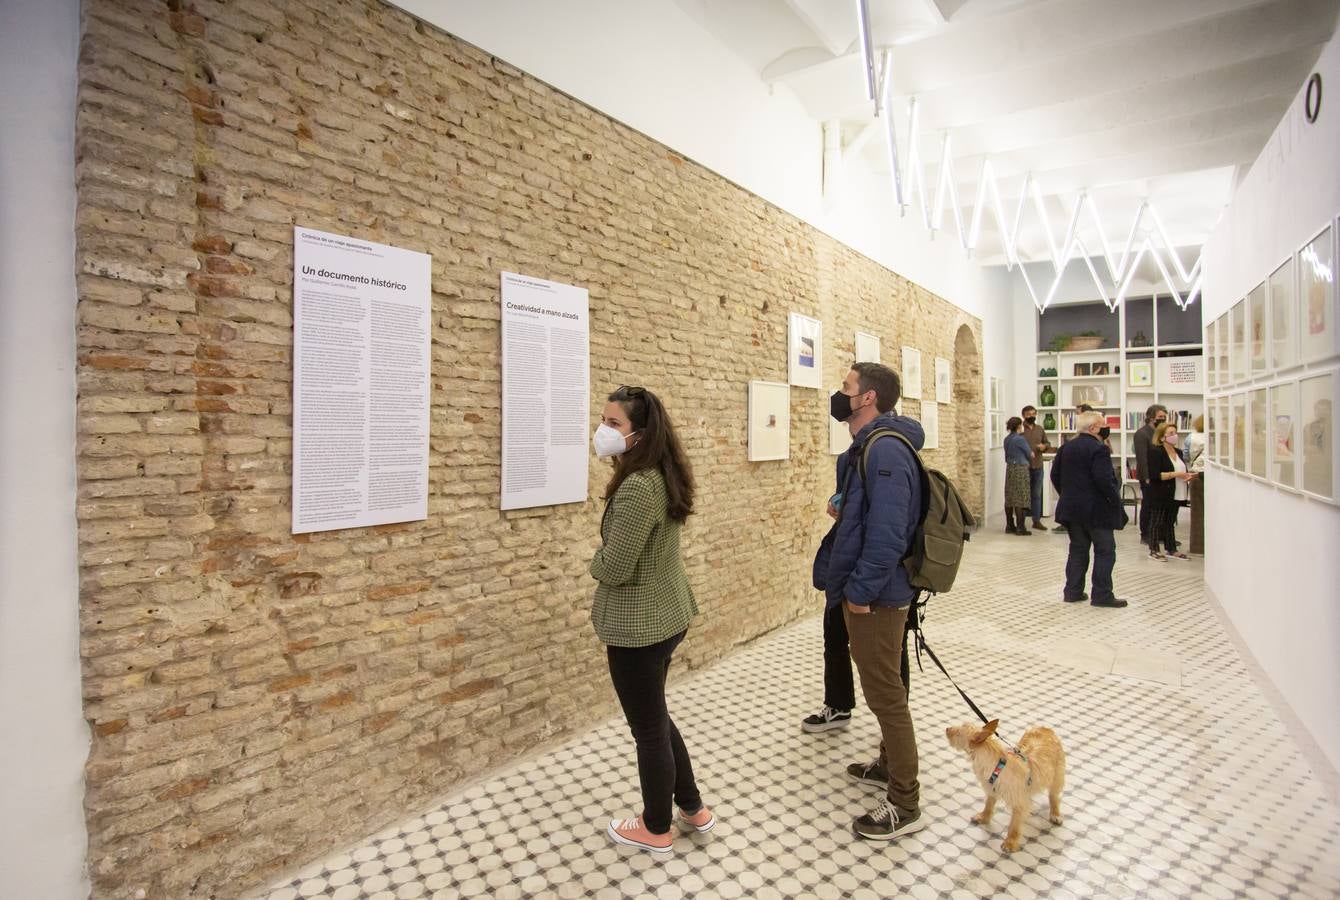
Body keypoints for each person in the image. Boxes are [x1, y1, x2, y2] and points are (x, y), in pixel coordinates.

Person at [590, 385, 714, 853]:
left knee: (647, 730)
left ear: (639, 434)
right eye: (603, 420)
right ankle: (692, 806)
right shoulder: (660, 472)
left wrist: (594, 565)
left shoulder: (640, 486)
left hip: (639, 627)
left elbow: (616, 565)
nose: (603, 430)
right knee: (656, 717)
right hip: (665, 616)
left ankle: (656, 827)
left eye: (614, 423)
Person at [812, 362, 926, 841]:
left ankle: (905, 800)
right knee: (884, 690)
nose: (840, 395)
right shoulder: (870, 448)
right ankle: (886, 764)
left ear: (868, 399)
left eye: (847, 388)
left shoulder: (885, 452)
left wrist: (859, 592)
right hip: (868, 589)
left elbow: (887, 533)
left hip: (877, 595)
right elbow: (871, 514)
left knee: (885, 696)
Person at [1050, 410, 1129, 608]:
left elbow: (1055, 475)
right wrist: (1114, 500)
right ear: (1094, 428)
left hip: (1072, 509)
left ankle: (1073, 591)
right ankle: (1102, 594)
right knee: (1105, 551)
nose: (1106, 429)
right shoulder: (1098, 449)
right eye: (1103, 425)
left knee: (1077, 550)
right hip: (1097, 510)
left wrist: (1068, 494)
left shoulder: (1066, 447)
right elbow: (1104, 480)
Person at [1146, 421, 1196, 561]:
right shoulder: (1156, 452)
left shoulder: (1178, 452)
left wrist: (1187, 475)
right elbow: (1155, 475)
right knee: (1157, 522)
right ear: (1162, 437)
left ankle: (1171, 548)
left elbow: (1181, 470)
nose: (1175, 436)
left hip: (1177, 492)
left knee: (1170, 522)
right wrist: (1176, 475)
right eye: (1171, 433)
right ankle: (1154, 549)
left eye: (1175, 432)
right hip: (1161, 493)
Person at [1133, 404, 1169, 541]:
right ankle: (1145, 534)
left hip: (1160, 475)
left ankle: (1159, 533)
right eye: (1160, 417)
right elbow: (1141, 457)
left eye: (1164, 417)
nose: (1163, 419)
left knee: (1159, 506)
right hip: (1148, 476)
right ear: (1151, 417)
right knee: (1148, 504)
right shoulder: (1142, 433)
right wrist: (1147, 477)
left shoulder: (1161, 432)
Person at [1020, 405, 1053, 530]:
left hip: (1038, 466)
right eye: (1029, 414)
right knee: (1023, 494)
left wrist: (1044, 447)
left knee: (1036, 494)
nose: (1032, 416)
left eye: (1034, 414)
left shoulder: (1040, 429)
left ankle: (1036, 520)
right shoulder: (1020, 430)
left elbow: (1047, 443)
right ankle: (1021, 522)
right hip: (1023, 467)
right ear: (1023, 415)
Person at [1002, 416, 1032, 535]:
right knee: (1021, 497)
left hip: (1010, 468)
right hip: (1020, 468)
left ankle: (1009, 525)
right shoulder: (1020, 439)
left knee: (1010, 496)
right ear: (1019, 426)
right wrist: (1032, 454)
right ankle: (1020, 527)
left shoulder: (1007, 439)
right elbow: (1029, 454)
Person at [1185, 414, 1206, 555]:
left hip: (1195, 475)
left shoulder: (1190, 437)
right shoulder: (1216, 436)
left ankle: (1197, 547)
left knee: (1197, 514)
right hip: (1209, 476)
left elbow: (1186, 456)